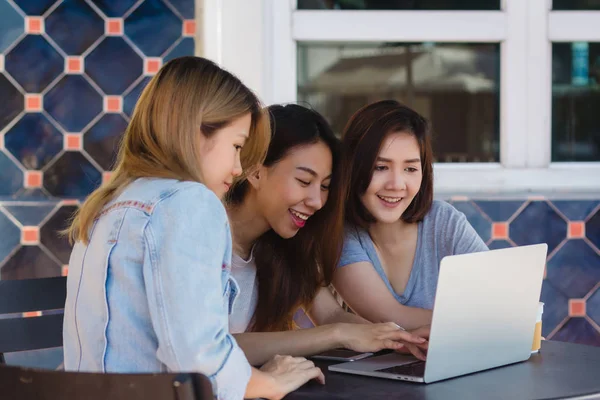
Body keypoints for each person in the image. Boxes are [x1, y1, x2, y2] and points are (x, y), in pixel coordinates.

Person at [62, 57, 323, 400]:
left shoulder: (109, 203)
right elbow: (199, 356)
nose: (238, 167)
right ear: (198, 130)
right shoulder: (190, 202)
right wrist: (267, 382)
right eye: (237, 146)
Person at [225, 104, 427, 366]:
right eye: (304, 182)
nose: (317, 201)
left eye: (325, 187)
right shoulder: (203, 234)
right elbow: (212, 348)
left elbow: (330, 314)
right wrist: (336, 335)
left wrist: (398, 338)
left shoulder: (286, 243)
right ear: (255, 171)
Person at [333, 100, 488, 352]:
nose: (397, 184)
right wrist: (490, 325)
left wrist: (505, 323)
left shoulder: (444, 221)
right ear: (353, 167)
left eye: (410, 168)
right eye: (380, 167)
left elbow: (499, 297)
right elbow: (390, 316)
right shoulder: (342, 235)